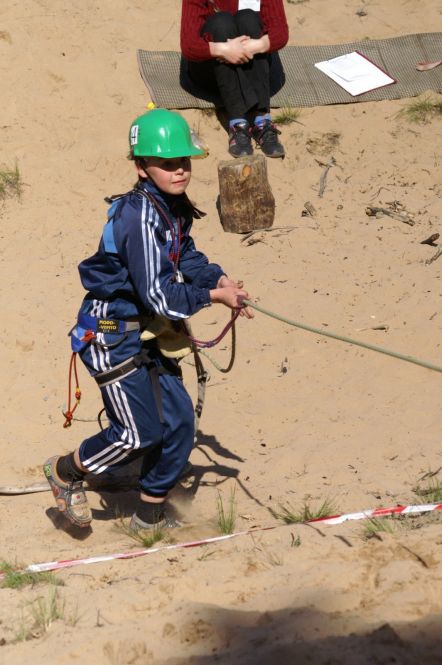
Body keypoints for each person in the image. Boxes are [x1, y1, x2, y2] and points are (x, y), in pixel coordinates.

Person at [43, 108, 253, 531]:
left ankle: (148, 517)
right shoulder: (137, 215)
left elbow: (185, 255)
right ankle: (65, 471)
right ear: (141, 167)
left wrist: (218, 279)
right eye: (167, 163)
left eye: (184, 161)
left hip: (150, 332)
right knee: (136, 434)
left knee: (179, 425)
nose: (180, 170)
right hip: (111, 336)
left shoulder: (171, 207)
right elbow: (158, 293)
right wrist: (213, 297)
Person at [180, 0, 288, 158]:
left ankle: (262, 120)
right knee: (221, 21)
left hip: (253, 61)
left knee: (248, 18)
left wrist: (255, 46)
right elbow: (189, 45)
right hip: (213, 71)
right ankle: (238, 122)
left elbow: (280, 33)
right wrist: (223, 50)